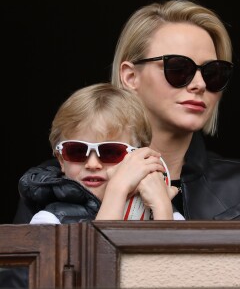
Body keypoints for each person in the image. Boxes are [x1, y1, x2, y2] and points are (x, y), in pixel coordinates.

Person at [12, 0, 240, 224]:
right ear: (130, 76)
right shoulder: (52, 185)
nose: (198, 84)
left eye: (213, 73)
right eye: (178, 69)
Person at [17, 82, 180, 224]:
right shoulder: (49, 221)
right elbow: (101, 258)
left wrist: (162, 209)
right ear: (61, 160)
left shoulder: (167, 212)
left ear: (139, 157)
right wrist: (117, 190)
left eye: (111, 152)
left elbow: (171, 261)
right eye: (77, 151)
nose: (92, 164)